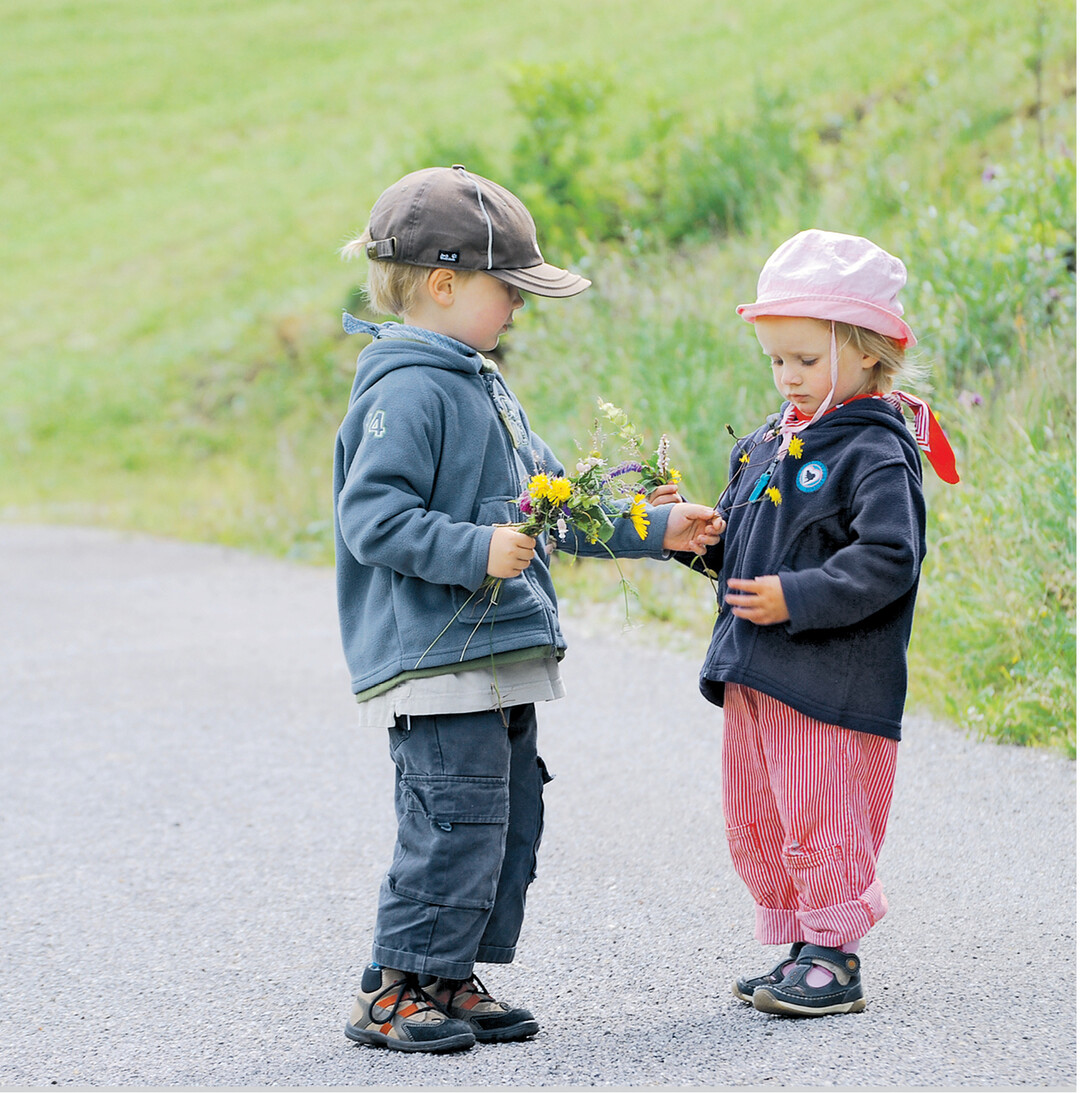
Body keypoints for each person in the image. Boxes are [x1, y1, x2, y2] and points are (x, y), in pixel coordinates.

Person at [333, 165, 721, 1052]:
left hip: (496, 653)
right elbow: (372, 518)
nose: (518, 304)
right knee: (452, 818)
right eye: (506, 286)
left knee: (504, 818)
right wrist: (473, 547)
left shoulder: (481, 383)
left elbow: (557, 507)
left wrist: (659, 528)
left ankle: (447, 973)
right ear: (443, 284)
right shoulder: (407, 389)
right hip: (438, 657)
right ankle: (393, 987)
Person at [682, 229, 958, 1018]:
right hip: (756, 665)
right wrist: (702, 542)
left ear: (869, 350)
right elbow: (748, 548)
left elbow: (888, 558)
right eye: (776, 359)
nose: (787, 376)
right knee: (760, 812)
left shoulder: (874, 448)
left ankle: (836, 951)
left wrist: (797, 597)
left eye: (805, 358)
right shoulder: (772, 440)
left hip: (828, 677)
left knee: (820, 807)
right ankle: (802, 941)